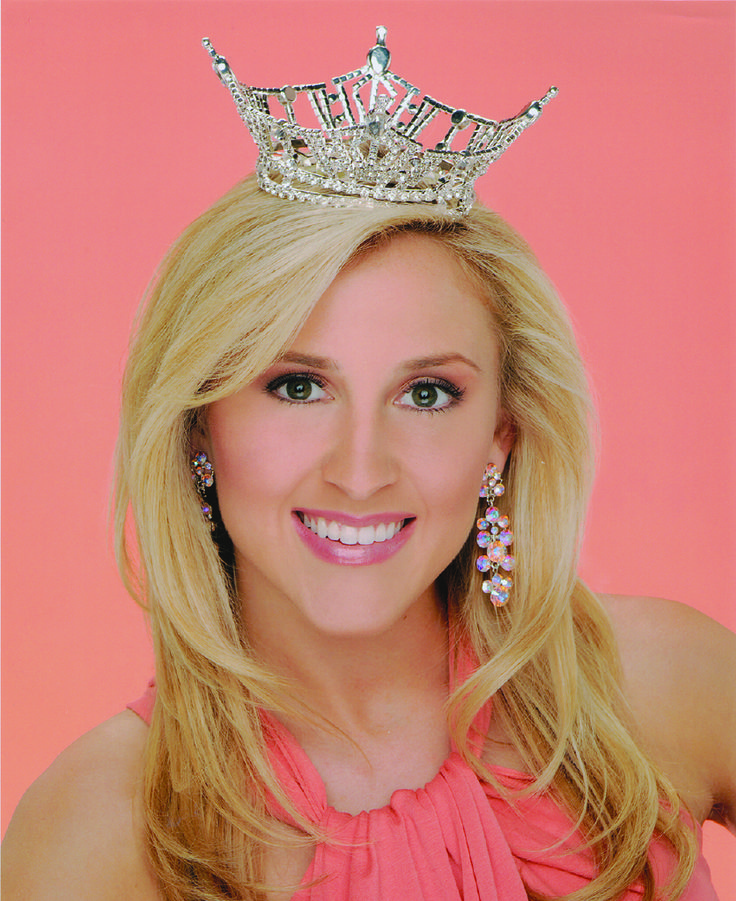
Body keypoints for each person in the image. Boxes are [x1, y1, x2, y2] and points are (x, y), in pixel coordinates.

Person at [3, 29, 734, 901]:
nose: (360, 470)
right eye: (298, 386)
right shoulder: (102, 829)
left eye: (426, 394)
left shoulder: (656, 684)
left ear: (500, 435)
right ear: (201, 428)